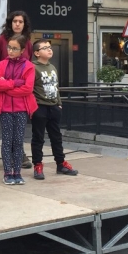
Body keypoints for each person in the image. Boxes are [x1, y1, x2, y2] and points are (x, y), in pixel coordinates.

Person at [0, 10, 34, 169]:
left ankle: (20, 153)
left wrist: (12, 84)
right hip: (5, 96)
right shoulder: (1, 41)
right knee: (7, 133)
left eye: (21, 22)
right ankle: (9, 166)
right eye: (15, 21)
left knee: (20, 132)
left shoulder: (27, 42)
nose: (17, 24)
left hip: (21, 97)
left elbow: (28, 73)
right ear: (10, 23)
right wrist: (10, 84)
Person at [0, 34, 38, 185]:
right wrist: (15, 83)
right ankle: (7, 173)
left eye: (14, 48)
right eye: (9, 47)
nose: (10, 51)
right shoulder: (1, 65)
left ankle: (17, 172)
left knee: (18, 141)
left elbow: (27, 88)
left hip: (21, 109)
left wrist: (7, 86)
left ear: (23, 50)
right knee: (7, 141)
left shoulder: (29, 66)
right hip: (5, 109)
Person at [30, 39, 79, 180]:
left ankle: (60, 163)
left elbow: (55, 87)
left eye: (50, 47)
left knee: (56, 137)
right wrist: (34, 107)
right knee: (38, 138)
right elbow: (29, 89)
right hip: (40, 107)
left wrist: (59, 103)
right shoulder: (32, 68)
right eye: (45, 48)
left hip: (54, 107)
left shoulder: (52, 67)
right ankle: (38, 165)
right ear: (37, 53)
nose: (49, 50)